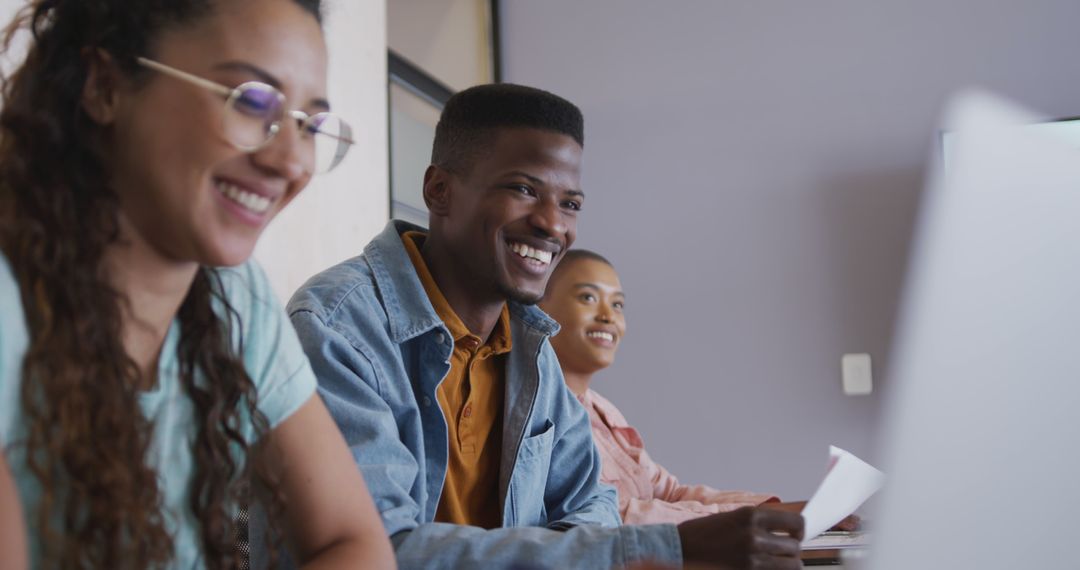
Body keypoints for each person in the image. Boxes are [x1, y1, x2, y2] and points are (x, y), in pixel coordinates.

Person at [288, 83, 806, 569]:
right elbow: (380, 549)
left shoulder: (530, 345)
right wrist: (662, 546)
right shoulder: (336, 327)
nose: (554, 225)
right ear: (439, 190)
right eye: (523, 188)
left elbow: (593, 507)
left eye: (570, 203)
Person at [0, 0, 395, 568]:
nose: (290, 160)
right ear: (105, 86)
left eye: (309, 125)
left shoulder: (235, 298)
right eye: (252, 101)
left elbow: (354, 543)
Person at [539, 250, 860, 531]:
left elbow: (670, 494)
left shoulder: (602, 410)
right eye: (588, 298)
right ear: (539, 308)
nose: (609, 317)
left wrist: (784, 511)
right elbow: (615, 516)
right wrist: (758, 519)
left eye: (618, 304)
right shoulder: (542, 416)